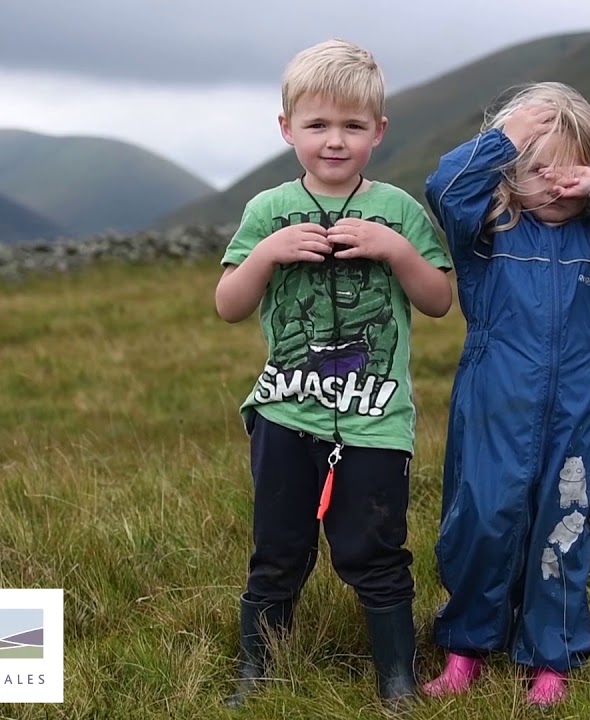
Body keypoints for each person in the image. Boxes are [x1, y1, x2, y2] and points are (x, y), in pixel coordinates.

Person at [214, 38, 453, 711]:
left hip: (376, 421)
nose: (335, 141)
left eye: (353, 125)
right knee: (277, 551)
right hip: (286, 416)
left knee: (376, 551)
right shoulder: (267, 211)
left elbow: (438, 300)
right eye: (317, 124)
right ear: (287, 128)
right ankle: (257, 674)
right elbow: (229, 304)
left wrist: (396, 250)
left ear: (379, 130)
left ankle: (397, 681)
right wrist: (266, 254)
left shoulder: (399, 210)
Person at [421, 81, 590, 707]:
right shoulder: (486, 234)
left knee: (562, 527)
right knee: (482, 520)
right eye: (538, 171)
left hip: (574, 411)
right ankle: (466, 647)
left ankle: (551, 658)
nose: (556, 187)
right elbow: (445, 187)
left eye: (572, 173)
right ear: (510, 173)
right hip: (492, 404)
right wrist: (505, 138)